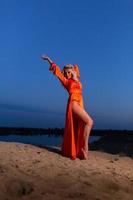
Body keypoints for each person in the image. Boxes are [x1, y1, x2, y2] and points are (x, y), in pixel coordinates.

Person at [41, 55, 93, 160]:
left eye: (69, 72)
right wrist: (49, 60)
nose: (67, 74)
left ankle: (81, 150)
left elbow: (76, 69)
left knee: (84, 124)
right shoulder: (66, 82)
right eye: (66, 73)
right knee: (89, 122)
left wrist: (73, 73)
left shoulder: (77, 79)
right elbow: (58, 72)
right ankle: (85, 148)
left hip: (79, 103)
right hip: (73, 103)